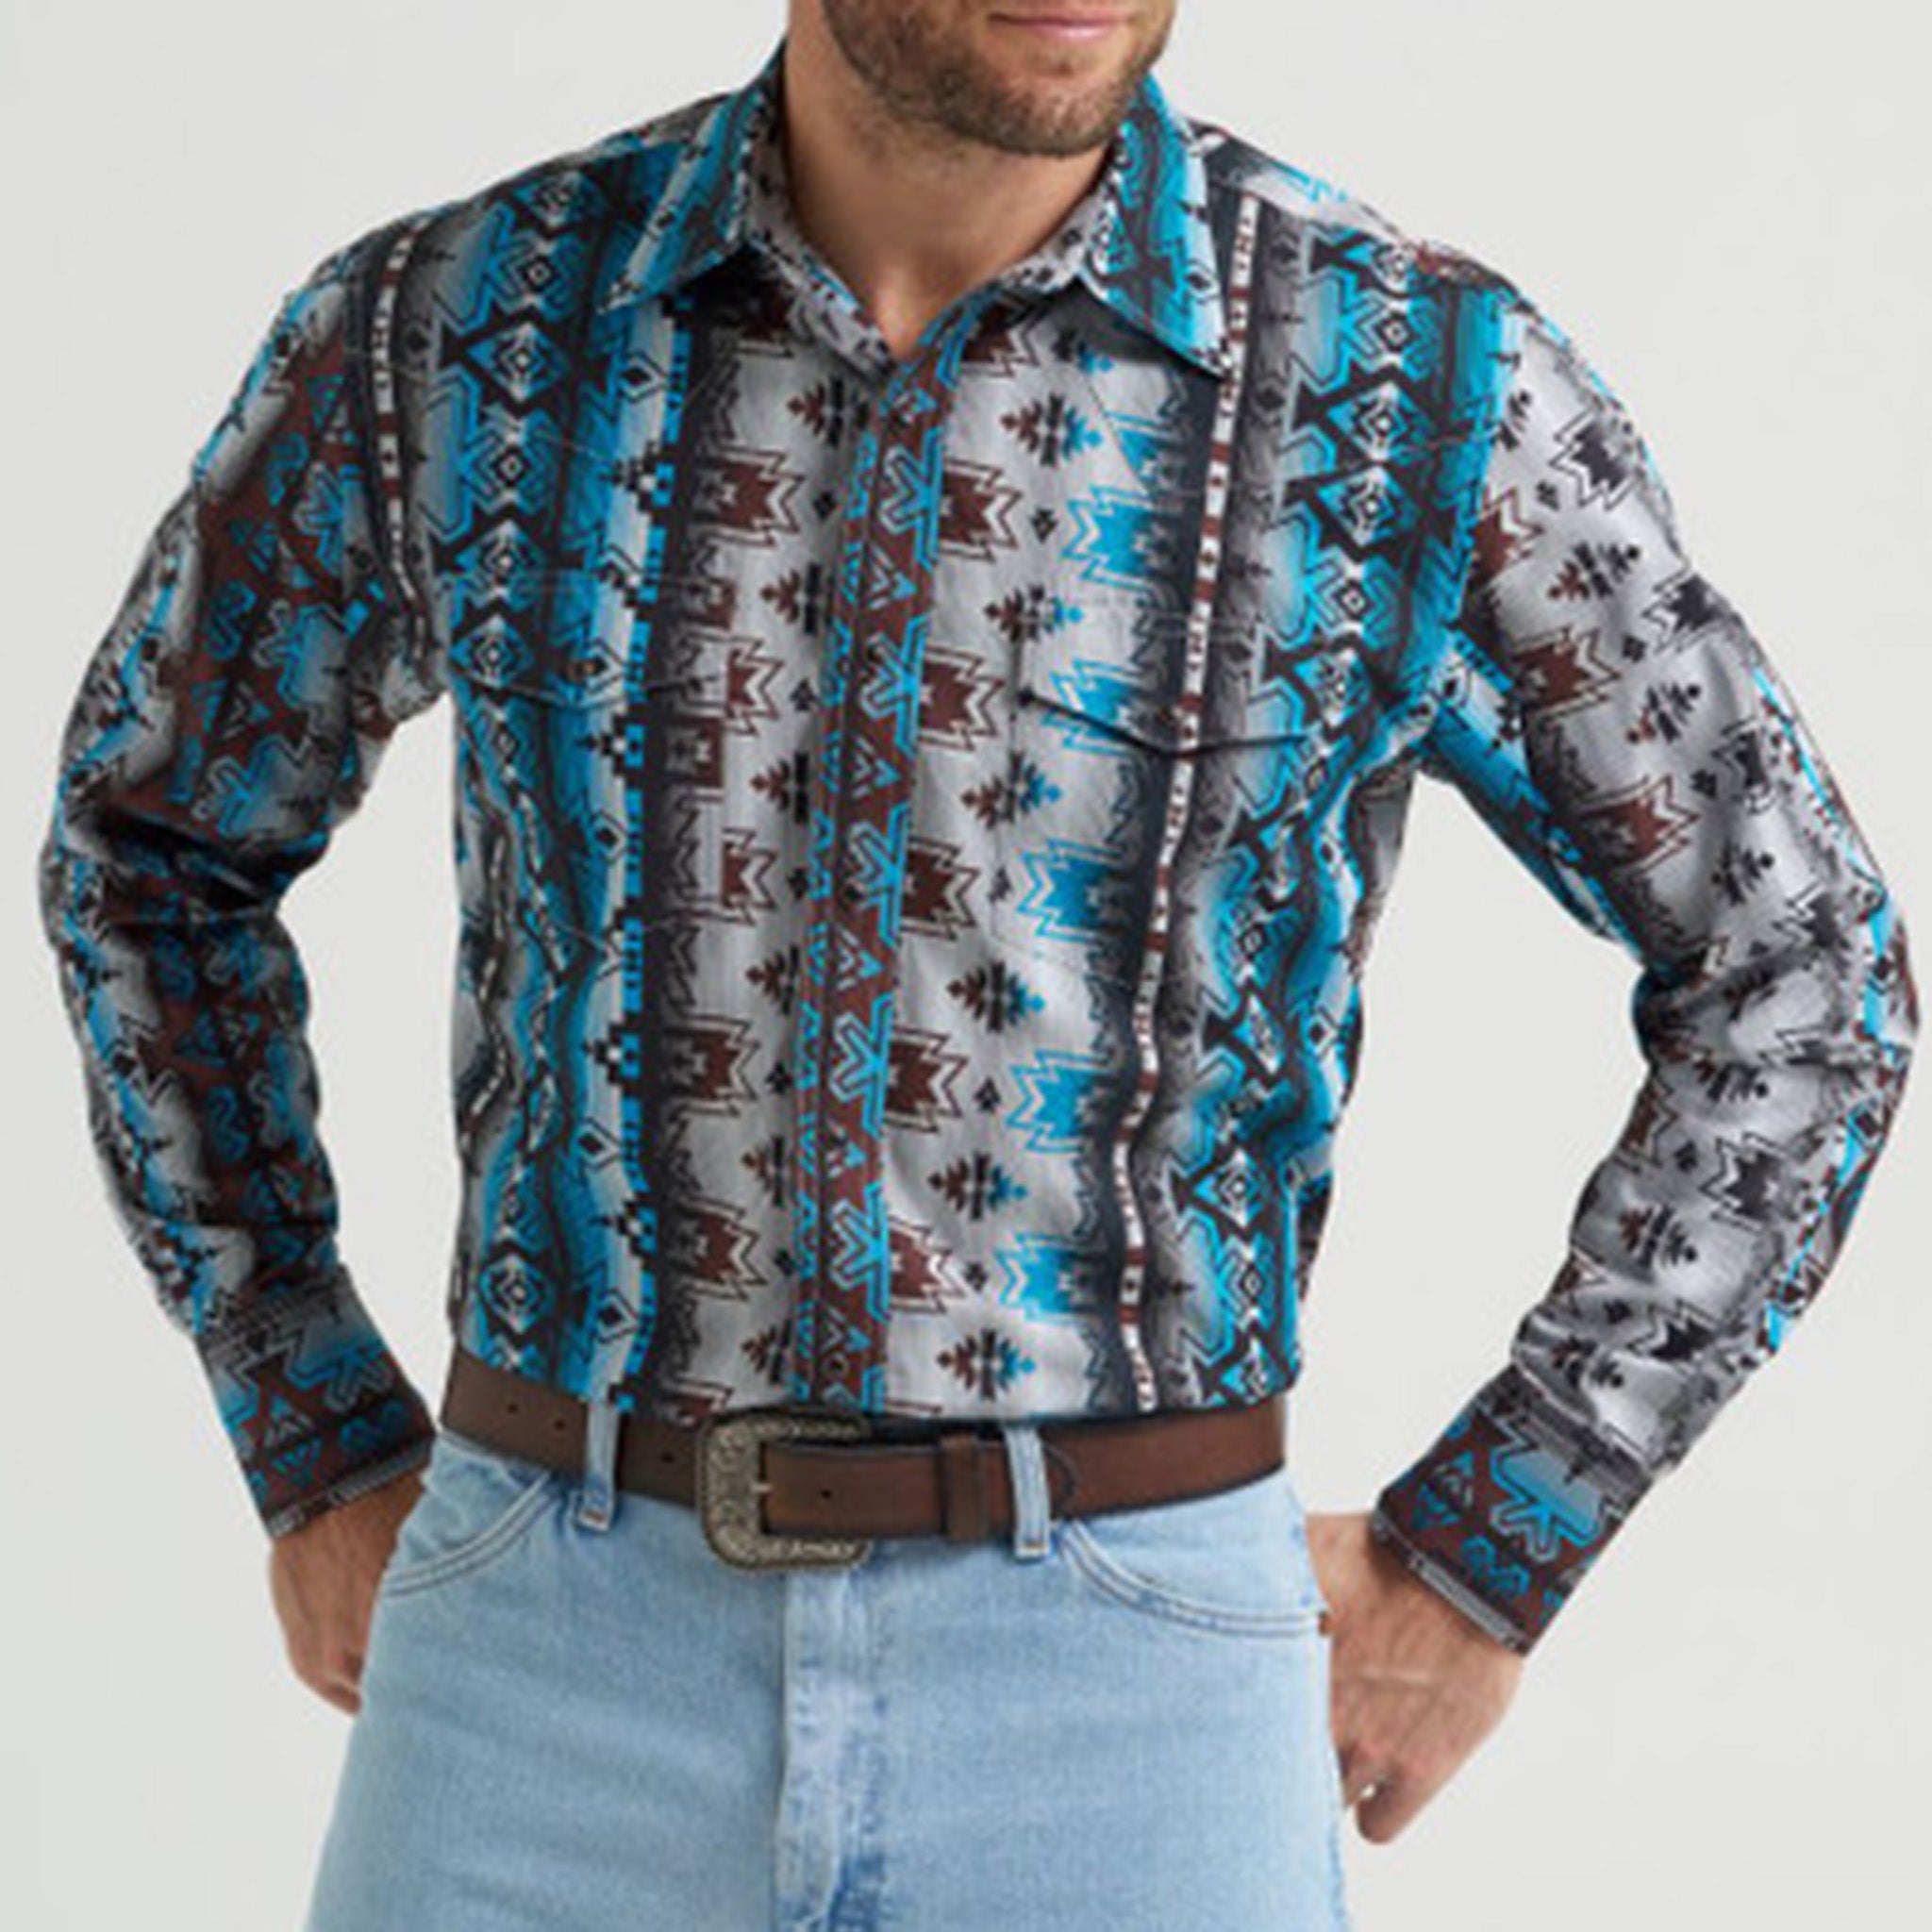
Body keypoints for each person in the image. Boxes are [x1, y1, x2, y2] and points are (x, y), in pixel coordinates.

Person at [37, 5, 1918, 1927]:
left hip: (1133, 1700)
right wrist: (310, 1420)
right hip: (544, 1675)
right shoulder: (468, 331)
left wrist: (1494, 1543)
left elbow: (1801, 967)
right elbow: (152, 844)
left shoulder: (1408, 380)